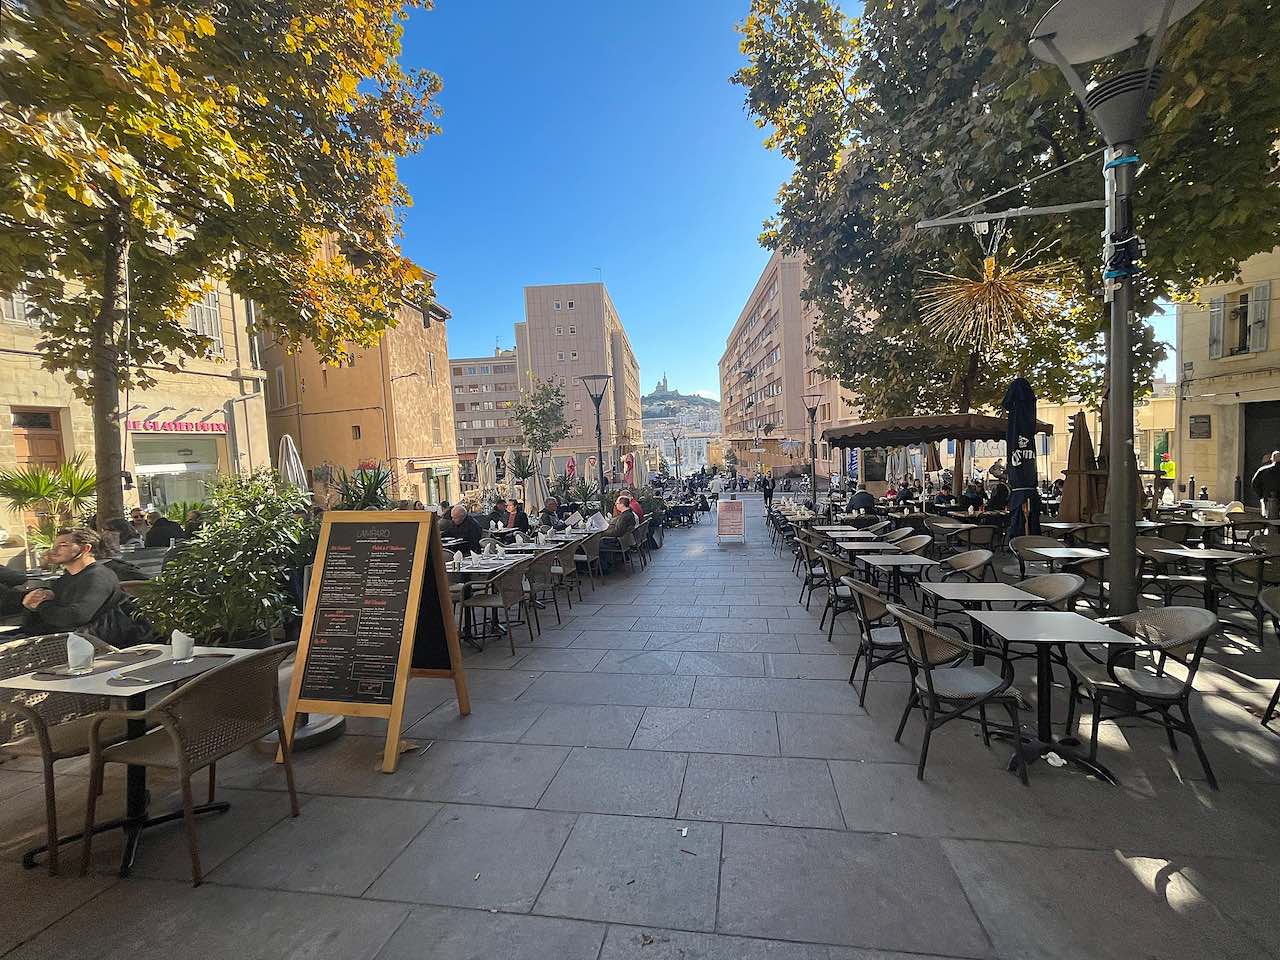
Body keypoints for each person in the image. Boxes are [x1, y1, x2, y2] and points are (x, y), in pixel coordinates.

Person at [21, 528, 124, 634]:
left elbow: (77, 616)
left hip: (86, 643)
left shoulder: (98, 577)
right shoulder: (66, 578)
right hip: (58, 638)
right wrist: (31, 606)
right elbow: (48, 616)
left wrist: (41, 605)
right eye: (54, 545)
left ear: (85, 549)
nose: (54, 550)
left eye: (63, 545)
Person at [1251, 450, 1280, 519]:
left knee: (1268, 518)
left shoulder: (1262, 470)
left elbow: (1254, 484)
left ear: (1272, 459)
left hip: (1267, 498)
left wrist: (1261, 495)